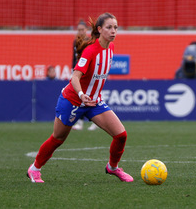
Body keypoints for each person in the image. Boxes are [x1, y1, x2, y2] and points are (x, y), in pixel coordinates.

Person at [27, 13, 134, 183]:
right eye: (109, 27)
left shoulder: (111, 48)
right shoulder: (90, 51)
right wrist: (81, 95)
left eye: (115, 27)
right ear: (99, 30)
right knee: (58, 138)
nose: (113, 31)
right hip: (73, 100)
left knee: (121, 135)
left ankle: (112, 167)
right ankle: (34, 169)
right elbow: (75, 78)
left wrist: (90, 97)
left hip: (94, 102)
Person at [72, 20, 98, 131]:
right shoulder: (75, 41)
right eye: (79, 30)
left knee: (91, 96)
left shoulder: (89, 41)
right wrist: (73, 70)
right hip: (79, 72)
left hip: (88, 73)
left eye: (82, 29)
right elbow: (74, 58)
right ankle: (81, 122)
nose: (80, 32)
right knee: (81, 97)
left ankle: (95, 121)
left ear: (86, 30)